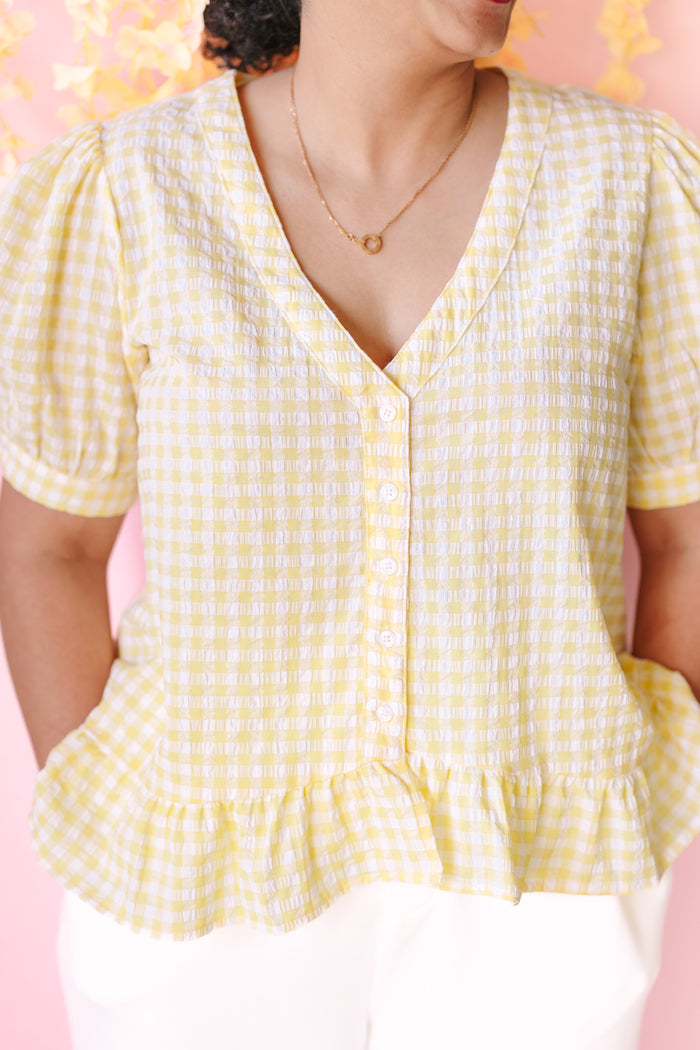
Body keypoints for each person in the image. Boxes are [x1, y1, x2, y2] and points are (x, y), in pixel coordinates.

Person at [1, 0, 700, 1047]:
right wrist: (108, 799)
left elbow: (685, 536)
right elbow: (49, 545)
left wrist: (634, 777)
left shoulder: (631, 183)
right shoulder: (127, 189)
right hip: (197, 885)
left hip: (544, 877)